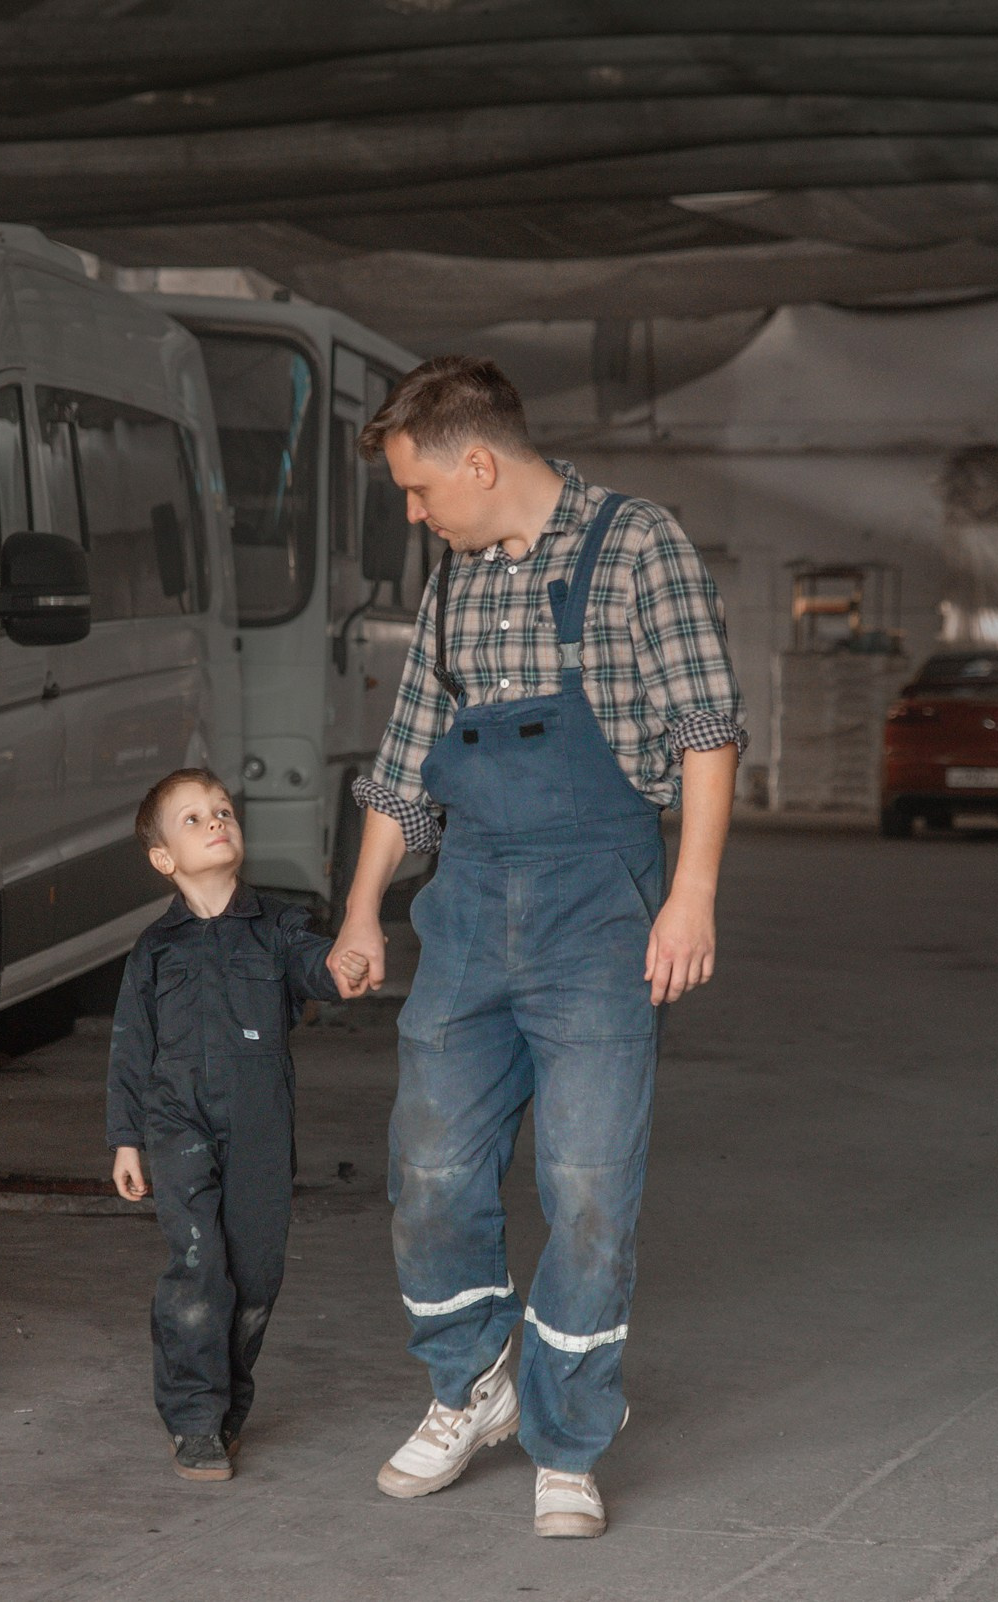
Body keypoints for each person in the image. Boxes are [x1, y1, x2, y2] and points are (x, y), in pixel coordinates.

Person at [329, 356, 744, 1538]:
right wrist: (363, 907)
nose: (414, 514)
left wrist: (692, 895)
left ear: (478, 461)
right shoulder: (453, 585)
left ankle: (569, 1441)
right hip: (467, 909)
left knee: (587, 1186)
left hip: (597, 911)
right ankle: (472, 1385)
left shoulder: (636, 548)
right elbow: (407, 761)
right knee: (428, 1170)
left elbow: (706, 727)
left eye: (418, 491)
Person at [108, 767, 363, 1481]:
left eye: (222, 810)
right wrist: (124, 1138)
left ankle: (227, 1408)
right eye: (193, 819)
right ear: (164, 859)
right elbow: (131, 1046)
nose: (216, 821)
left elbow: (319, 967)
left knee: (255, 1275)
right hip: (176, 1120)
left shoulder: (280, 926)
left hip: (259, 1123)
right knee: (199, 1266)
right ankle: (192, 1419)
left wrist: (345, 962)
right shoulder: (154, 951)